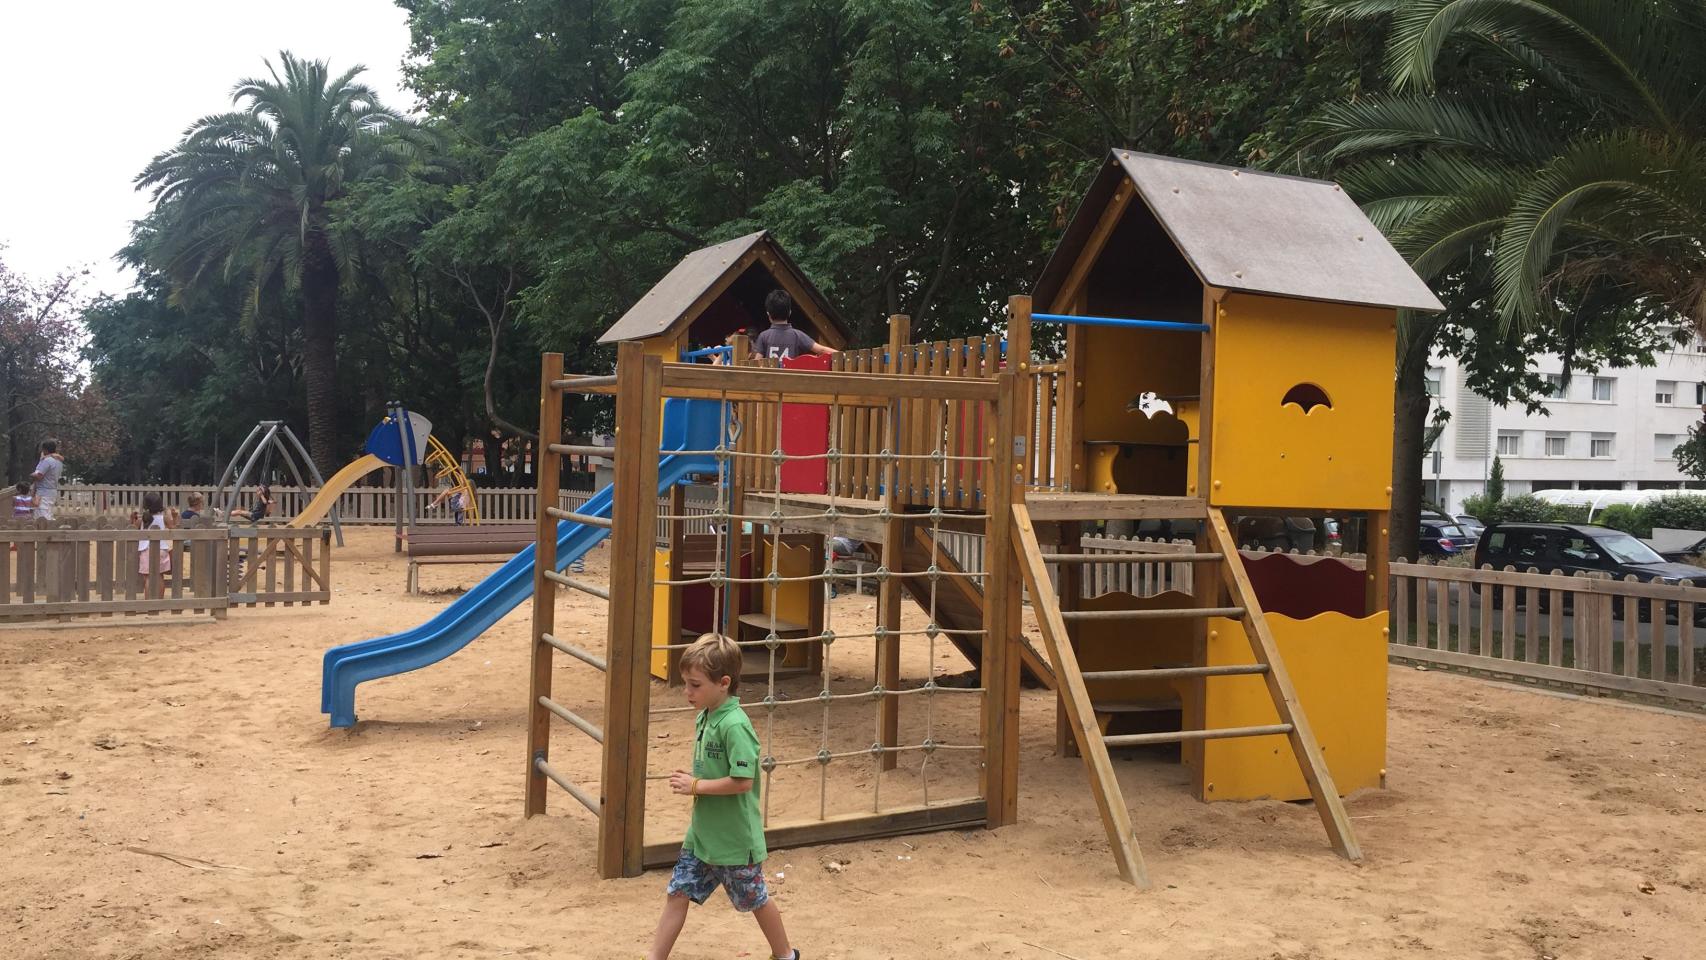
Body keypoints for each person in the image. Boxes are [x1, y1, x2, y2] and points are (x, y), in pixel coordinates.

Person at [647, 634, 797, 960]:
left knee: (755, 898)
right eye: (686, 683)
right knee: (678, 892)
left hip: (733, 840)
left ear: (724, 683)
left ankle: (785, 954)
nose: (687, 691)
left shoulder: (735, 725)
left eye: (695, 685)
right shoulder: (706, 715)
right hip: (702, 836)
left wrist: (695, 786)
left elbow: (743, 781)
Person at [752, 290, 836, 362]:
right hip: (791, 380)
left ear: (768, 314)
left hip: (769, 380)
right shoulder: (798, 335)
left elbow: (757, 362)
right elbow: (821, 350)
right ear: (789, 312)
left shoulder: (763, 336)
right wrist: (843, 355)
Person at [135, 493, 175, 585]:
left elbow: (133, 528)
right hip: (161, 549)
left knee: (148, 577)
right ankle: (160, 598)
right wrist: (170, 513)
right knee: (160, 576)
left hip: (146, 550)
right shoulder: (163, 518)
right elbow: (172, 526)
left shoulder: (142, 520)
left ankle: (149, 598)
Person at [29, 439, 63, 520]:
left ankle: (46, 532)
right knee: (48, 513)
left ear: (45, 449)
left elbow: (39, 476)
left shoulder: (47, 461)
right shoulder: (58, 461)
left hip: (43, 492)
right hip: (52, 491)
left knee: (42, 516)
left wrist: (32, 475)